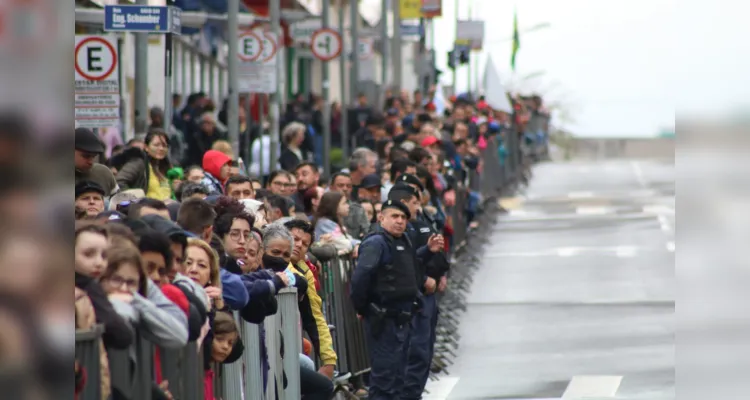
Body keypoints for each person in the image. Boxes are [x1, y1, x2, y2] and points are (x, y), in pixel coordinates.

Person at [349, 200, 444, 400]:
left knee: (399, 379)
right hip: (383, 319)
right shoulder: (376, 242)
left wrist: (427, 250)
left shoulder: (404, 240)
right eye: (394, 216)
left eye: (403, 218)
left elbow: (409, 268)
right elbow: (360, 278)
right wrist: (362, 307)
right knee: (384, 380)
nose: (400, 221)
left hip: (403, 319)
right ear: (381, 217)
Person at [113, 130, 174, 201]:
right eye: (156, 145)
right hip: (145, 209)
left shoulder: (168, 167)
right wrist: (134, 201)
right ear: (146, 147)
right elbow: (120, 182)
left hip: (166, 210)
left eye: (164, 145)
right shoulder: (139, 164)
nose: (161, 148)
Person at [75, 127, 119, 196]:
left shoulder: (103, 174)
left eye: (93, 156)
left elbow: (117, 203)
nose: (91, 161)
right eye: (86, 156)